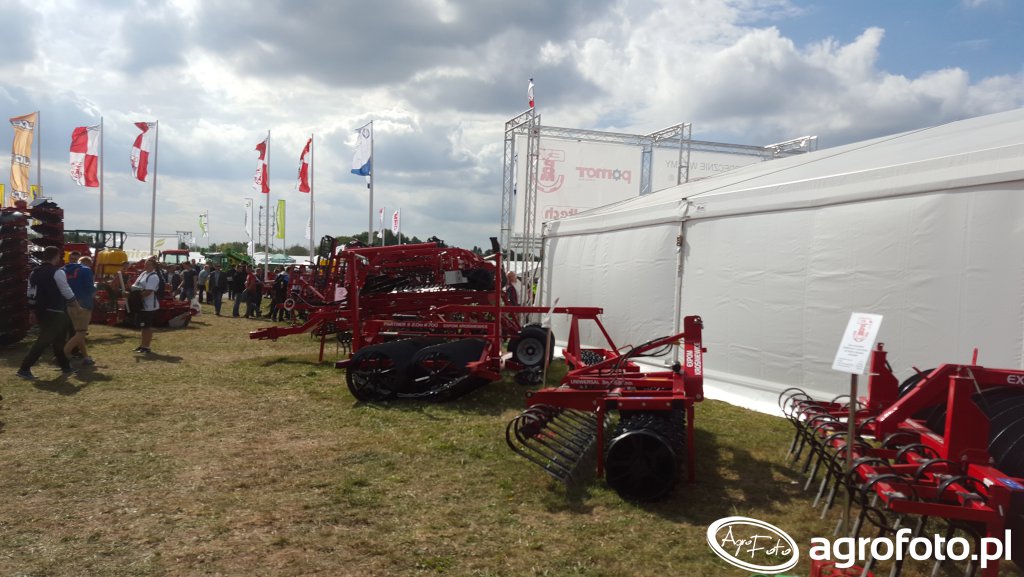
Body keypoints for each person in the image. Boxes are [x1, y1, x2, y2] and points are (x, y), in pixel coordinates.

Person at [17, 246, 79, 379]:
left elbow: (31, 293)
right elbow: (66, 291)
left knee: (59, 340)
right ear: (56, 256)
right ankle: (24, 368)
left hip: (41, 310)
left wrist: (32, 311)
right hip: (56, 311)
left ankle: (66, 367)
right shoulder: (58, 272)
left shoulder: (34, 272)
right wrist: (76, 305)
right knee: (44, 341)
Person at [63, 255, 96, 366]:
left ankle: (86, 357)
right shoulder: (86, 270)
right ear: (88, 263)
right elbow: (89, 288)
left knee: (79, 332)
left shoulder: (64, 269)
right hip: (84, 304)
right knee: (81, 333)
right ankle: (63, 354)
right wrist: (94, 294)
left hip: (70, 303)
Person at [131, 258, 161, 354]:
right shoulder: (143, 274)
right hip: (141, 304)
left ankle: (146, 347)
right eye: (145, 264)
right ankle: (142, 345)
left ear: (154, 266)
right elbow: (136, 285)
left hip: (148, 305)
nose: (146, 266)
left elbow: (148, 291)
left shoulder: (153, 276)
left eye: (148, 264)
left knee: (147, 326)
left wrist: (135, 296)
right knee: (143, 326)